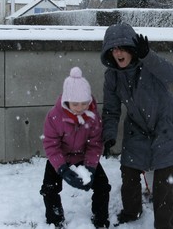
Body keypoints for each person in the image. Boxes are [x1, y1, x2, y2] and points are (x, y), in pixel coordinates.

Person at [100, 23, 173, 229]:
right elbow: (111, 109)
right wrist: (109, 135)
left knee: (163, 183)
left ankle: (164, 225)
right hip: (137, 128)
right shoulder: (112, 76)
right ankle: (132, 212)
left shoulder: (149, 64)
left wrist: (148, 55)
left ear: (132, 49)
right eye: (114, 49)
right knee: (129, 172)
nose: (118, 53)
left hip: (165, 126)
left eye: (122, 48)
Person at [40, 66, 111, 229]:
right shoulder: (54, 116)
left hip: (83, 156)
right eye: (75, 104)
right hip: (61, 158)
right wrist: (62, 169)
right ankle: (55, 220)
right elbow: (51, 145)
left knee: (102, 186)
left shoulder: (93, 117)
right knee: (49, 188)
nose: (80, 107)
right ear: (67, 101)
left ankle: (101, 220)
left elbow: (95, 144)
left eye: (84, 103)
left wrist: (91, 168)